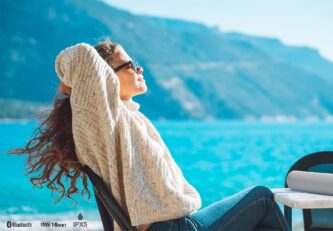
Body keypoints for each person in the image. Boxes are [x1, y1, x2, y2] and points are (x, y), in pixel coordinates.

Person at [8, 39, 290, 231]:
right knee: (262, 196)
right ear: (103, 78)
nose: (139, 69)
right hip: (170, 228)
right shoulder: (106, 121)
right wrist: (69, 81)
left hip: (170, 225)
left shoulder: (126, 117)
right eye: (129, 65)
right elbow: (81, 55)